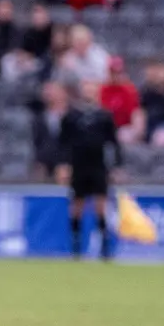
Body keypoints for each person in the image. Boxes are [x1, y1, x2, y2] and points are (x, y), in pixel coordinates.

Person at [56, 80, 124, 260]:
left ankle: (104, 248)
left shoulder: (104, 116)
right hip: (78, 166)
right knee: (77, 207)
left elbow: (114, 143)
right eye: (86, 88)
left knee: (100, 206)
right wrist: (63, 165)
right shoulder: (71, 116)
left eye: (92, 89)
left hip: (98, 166)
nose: (89, 92)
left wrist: (116, 166)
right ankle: (76, 248)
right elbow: (62, 143)